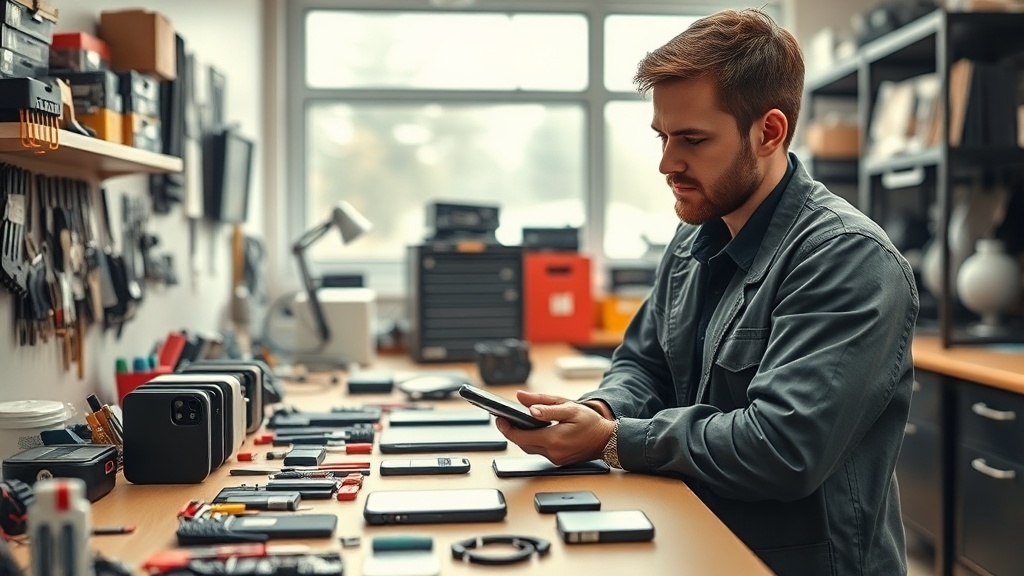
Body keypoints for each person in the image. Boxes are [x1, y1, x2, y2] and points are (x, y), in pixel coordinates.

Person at [495, 8, 919, 576]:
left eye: (692, 139)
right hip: (692, 533)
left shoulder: (847, 259)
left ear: (769, 132)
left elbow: (781, 448)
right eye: (663, 136)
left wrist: (614, 439)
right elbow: (644, 364)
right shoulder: (694, 233)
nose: (668, 163)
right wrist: (598, 410)